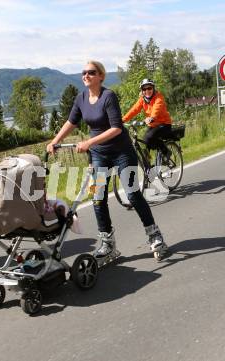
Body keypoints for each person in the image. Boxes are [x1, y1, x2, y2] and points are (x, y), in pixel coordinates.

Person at [46, 61, 167, 261]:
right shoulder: (81, 98)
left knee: (132, 194)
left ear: (101, 76)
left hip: (121, 152)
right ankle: (108, 244)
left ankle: (154, 235)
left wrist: (88, 142)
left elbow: (116, 128)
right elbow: (71, 122)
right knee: (97, 197)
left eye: (91, 72)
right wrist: (55, 141)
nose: (86, 75)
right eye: (83, 72)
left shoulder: (108, 96)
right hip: (99, 155)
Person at [122, 79, 172, 158]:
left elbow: (156, 109)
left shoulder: (159, 98)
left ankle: (166, 152)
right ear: (142, 91)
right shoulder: (142, 99)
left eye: (149, 88)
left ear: (153, 88)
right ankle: (147, 164)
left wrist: (151, 117)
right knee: (145, 142)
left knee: (149, 137)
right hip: (153, 125)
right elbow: (134, 110)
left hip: (164, 124)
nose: (147, 91)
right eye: (144, 89)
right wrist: (122, 120)